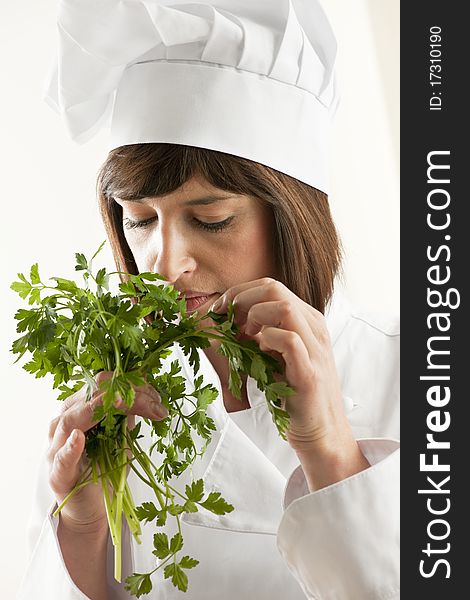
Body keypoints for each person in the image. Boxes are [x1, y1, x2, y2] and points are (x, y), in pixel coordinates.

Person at [18, 1, 400, 599]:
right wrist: (83, 528)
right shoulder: (109, 411)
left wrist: (329, 450)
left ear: (290, 216)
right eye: (140, 221)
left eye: (212, 219)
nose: (166, 266)